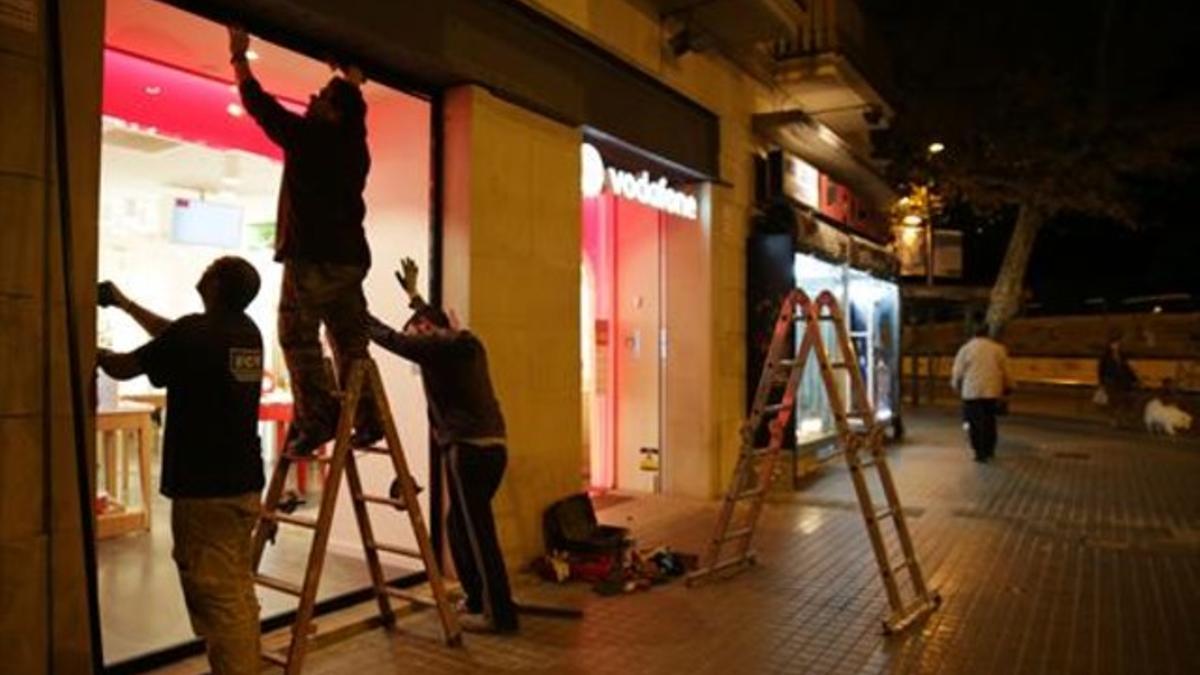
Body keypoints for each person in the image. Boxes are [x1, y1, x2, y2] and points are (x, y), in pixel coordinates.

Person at [96, 257, 265, 674]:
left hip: (205, 491)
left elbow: (124, 366)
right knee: (237, 592)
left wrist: (92, 349)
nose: (200, 275)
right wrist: (124, 304)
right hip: (243, 485)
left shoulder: (197, 334)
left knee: (218, 599)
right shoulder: (247, 332)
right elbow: (174, 335)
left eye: (209, 270)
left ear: (217, 284)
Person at [228, 25, 381, 454]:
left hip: (312, 258)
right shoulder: (356, 147)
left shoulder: (309, 138)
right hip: (350, 262)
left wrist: (239, 56)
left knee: (298, 337)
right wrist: (347, 78)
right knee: (350, 343)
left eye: (322, 98)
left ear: (333, 114)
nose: (313, 98)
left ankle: (318, 418)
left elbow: (259, 105)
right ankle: (369, 417)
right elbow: (352, 107)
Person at [366, 258, 519, 635]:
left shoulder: (444, 345)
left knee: (478, 534)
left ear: (425, 329)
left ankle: (498, 614)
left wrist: (356, 316)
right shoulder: (464, 342)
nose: (415, 339)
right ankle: (479, 599)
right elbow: (427, 326)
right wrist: (414, 296)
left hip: (469, 449)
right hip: (490, 448)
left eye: (417, 331)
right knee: (459, 526)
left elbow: (396, 340)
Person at [950, 321, 1014, 463]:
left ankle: (978, 451)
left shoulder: (965, 349)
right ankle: (989, 449)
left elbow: (958, 371)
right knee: (989, 421)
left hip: (971, 392)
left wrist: (955, 385)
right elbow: (1006, 370)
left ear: (973, 333)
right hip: (992, 391)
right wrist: (1009, 385)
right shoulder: (998, 349)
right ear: (987, 333)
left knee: (974, 423)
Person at [1098, 332, 1139, 428]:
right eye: (1114, 344)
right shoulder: (1105, 356)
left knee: (1122, 400)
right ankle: (1114, 419)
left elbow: (1127, 368)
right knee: (1114, 401)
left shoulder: (1121, 355)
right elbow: (1101, 370)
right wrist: (1102, 382)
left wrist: (1134, 379)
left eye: (1117, 344)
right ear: (1110, 345)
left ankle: (1120, 419)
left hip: (1121, 382)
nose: (1116, 346)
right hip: (1111, 381)